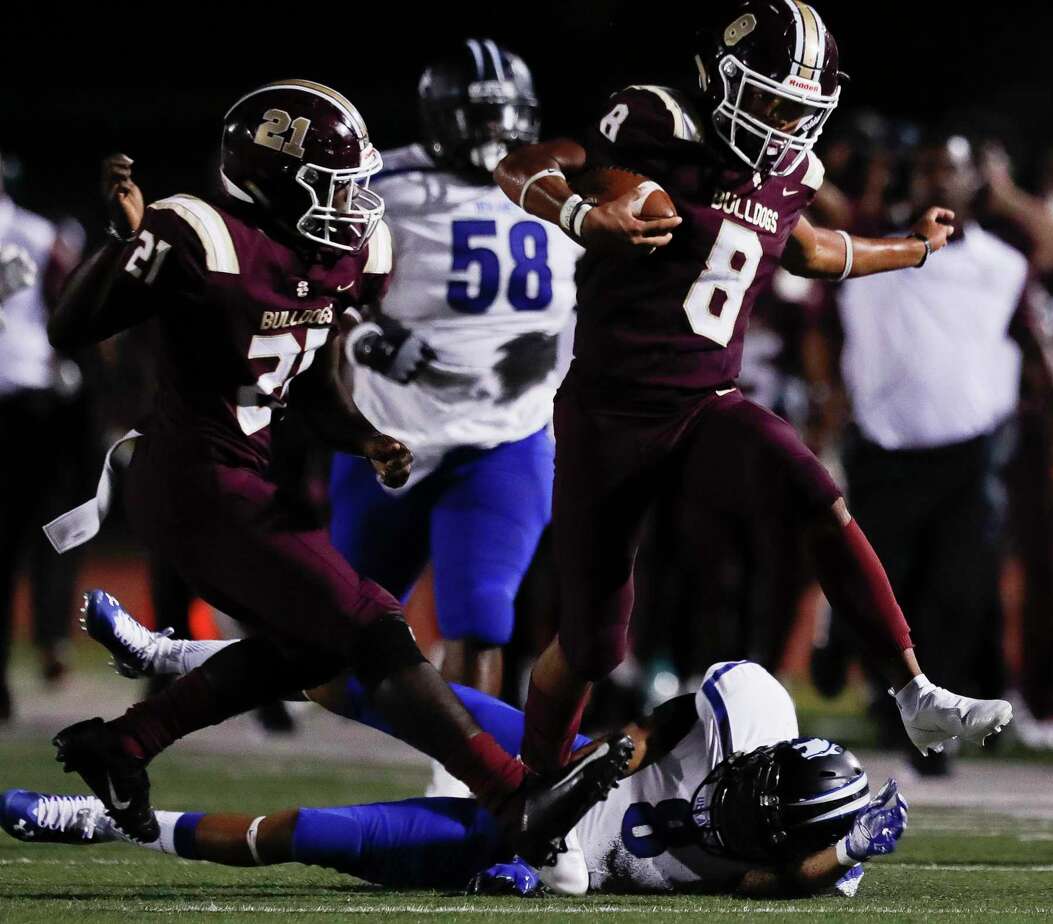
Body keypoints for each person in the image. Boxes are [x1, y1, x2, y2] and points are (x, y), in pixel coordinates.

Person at [41, 80, 630, 863]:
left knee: (310, 652)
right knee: (372, 622)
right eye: (333, 185)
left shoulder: (347, 251)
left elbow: (312, 384)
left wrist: (365, 435)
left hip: (248, 478)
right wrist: (122, 247)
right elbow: (69, 325)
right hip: (188, 480)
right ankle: (511, 794)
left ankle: (124, 743)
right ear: (273, 178)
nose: (352, 202)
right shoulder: (202, 235)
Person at [492, 0, 1013, 774]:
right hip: (610, 408)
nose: (780, 123)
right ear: (721, 78)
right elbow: (522, 165)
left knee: (812, 488)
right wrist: (577, 214)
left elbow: (809, 250)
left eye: (799, 110)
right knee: (592, 641)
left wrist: (914, 248)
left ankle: (914, 690)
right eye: (769, 99)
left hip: (707, 403)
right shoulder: (652, 122)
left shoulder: (794, 170)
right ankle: (529, 797)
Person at [7, 596, 908, 898]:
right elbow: (663, 725)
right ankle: (162, 653)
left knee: (295, 834)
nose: (721, 811)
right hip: (564, 769)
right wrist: (599, 767)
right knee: (355, 675)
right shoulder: (750, 707)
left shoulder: (811, 861)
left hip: (542, 854)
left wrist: (839, 860)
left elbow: (778, 879)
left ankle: (106, 822)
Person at [333, 40, 579, 717]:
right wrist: (363, 331)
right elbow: (312, 292)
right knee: (331, 636)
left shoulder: (561, 192)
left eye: (506, 118)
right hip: (391, 440)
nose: (496, 135)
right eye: (479, 117)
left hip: (507, 436)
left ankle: (468, 785)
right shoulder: (381, 192)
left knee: (482, 617)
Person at [828, 133, 1053, 773]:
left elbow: (1036, 329)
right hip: (884, 448)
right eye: (929, 168)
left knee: (960, 589)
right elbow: (822, 294)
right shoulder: (873, 247)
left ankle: (931, 723)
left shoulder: (1002, 260)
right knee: (892, 589)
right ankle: (893, 706)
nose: (940, 179)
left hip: (970, 452)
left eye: (954, 169)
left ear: (978, 181)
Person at [0, 158, 83, 718]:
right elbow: (71, 306)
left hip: (24, 393)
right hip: (32, 393)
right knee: (51, 524)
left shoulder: (36, 233)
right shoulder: (36, 232)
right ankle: (52, 636)